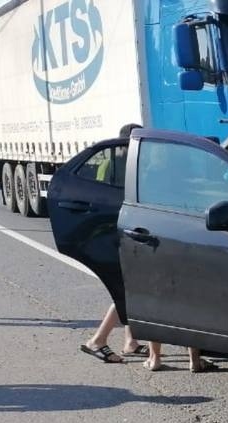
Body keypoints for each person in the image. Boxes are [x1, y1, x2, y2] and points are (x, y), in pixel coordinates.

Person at [80, 123, 145, 364]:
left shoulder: (109, 163)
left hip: (111, 232)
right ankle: (98, 340)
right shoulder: (126, 167)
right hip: (122, 234)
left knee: (129, 288)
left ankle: (131, 341)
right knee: (127, 292)